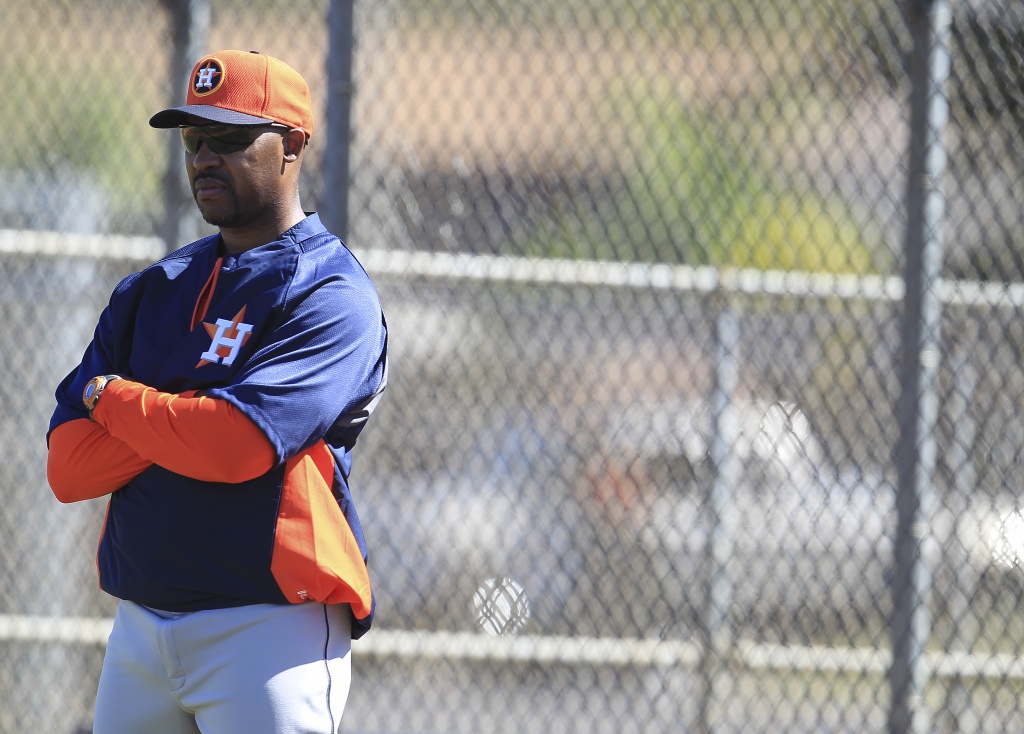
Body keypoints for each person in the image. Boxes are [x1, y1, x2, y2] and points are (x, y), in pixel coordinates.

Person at [45, 49, 388, 734]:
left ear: (291, 145)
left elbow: (237, 446)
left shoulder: (329, 294)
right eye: (193, 139)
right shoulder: (151, 289)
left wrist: (115, 399)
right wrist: (192, 416)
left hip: (267, 631)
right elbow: (69, 468)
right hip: (140, 625)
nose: (203, 156)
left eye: (229, 138)